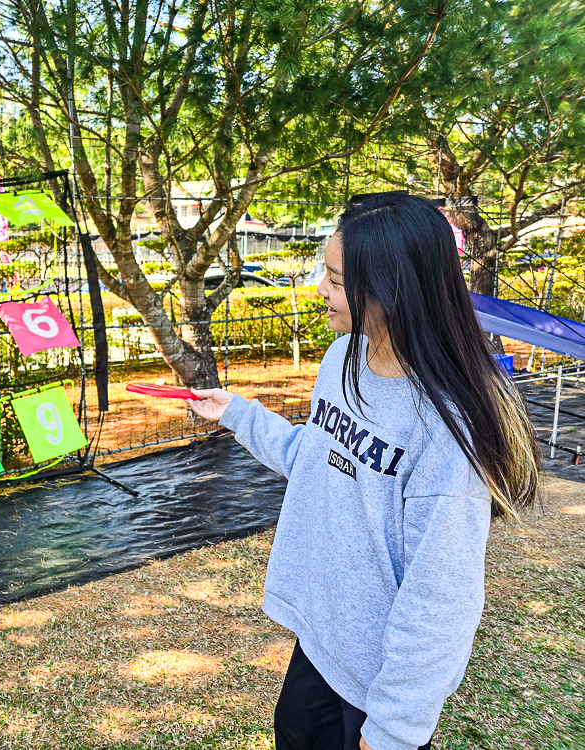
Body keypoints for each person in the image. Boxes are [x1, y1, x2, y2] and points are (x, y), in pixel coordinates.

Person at [187, 193, 539, 750]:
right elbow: (320, 460)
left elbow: (440, 598)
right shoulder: (343, 355)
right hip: (324, 640)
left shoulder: (446, 426)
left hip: (381, 679)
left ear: (392, 290)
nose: (319, 288)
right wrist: (237, 413)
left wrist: (394, 730)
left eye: (333, 278)